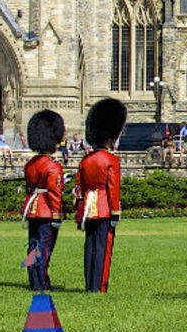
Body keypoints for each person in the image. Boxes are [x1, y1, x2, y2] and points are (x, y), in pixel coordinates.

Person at [76, 97, 126, 293]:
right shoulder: (111, 160)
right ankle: (99, 286)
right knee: (103, 248)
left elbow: (79, 187)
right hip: (105, 207)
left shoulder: (85, 160)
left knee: (89, 247)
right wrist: (115, 212)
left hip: (89, 207)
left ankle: (89, 284)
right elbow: (113, 187)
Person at [23, 109, 66, 291]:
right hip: (47, 210)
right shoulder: (52, 166)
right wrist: (57, 215)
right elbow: (54, 193)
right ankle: (41, 281)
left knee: (33, 246)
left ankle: (34, 280)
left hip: (33, 208)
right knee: (44, 248)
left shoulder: (31, 164)